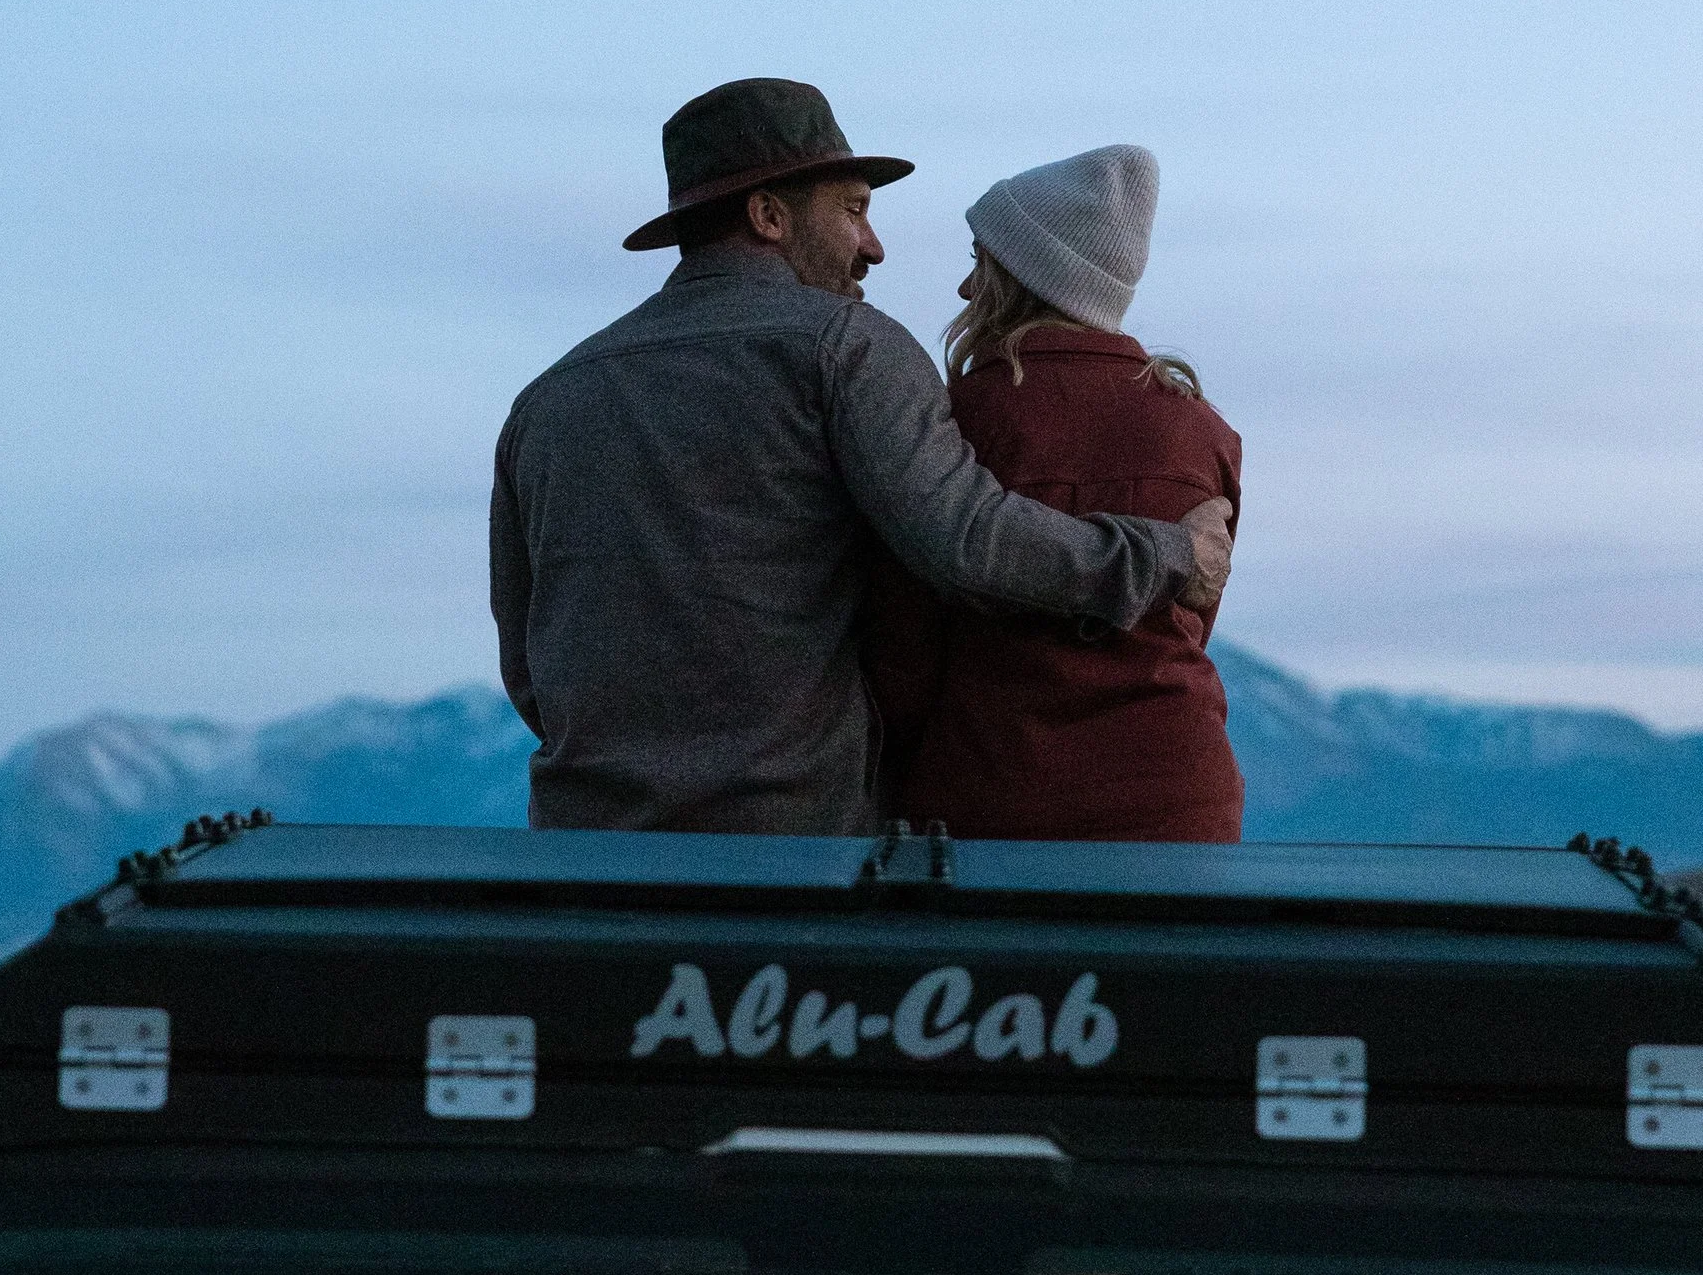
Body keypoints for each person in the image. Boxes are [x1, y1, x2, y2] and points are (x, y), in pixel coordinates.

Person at [490, 79, 1232, 833]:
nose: (873, 246)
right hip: (793, 852)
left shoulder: (547, 400)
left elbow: (526, 665)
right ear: (769, 215)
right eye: (852, 211)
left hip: (585, 850)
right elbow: (968, 543)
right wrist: (1169, 554)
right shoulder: (845, 348)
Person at [861, 145, 1243, 841]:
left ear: (1024, 278)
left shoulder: (959, 422)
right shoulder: (1202, 431)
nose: (965, 291)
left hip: (998, 793)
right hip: (1180, 795)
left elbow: (906, 648)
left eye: (980, 263)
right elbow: (1192, 617)